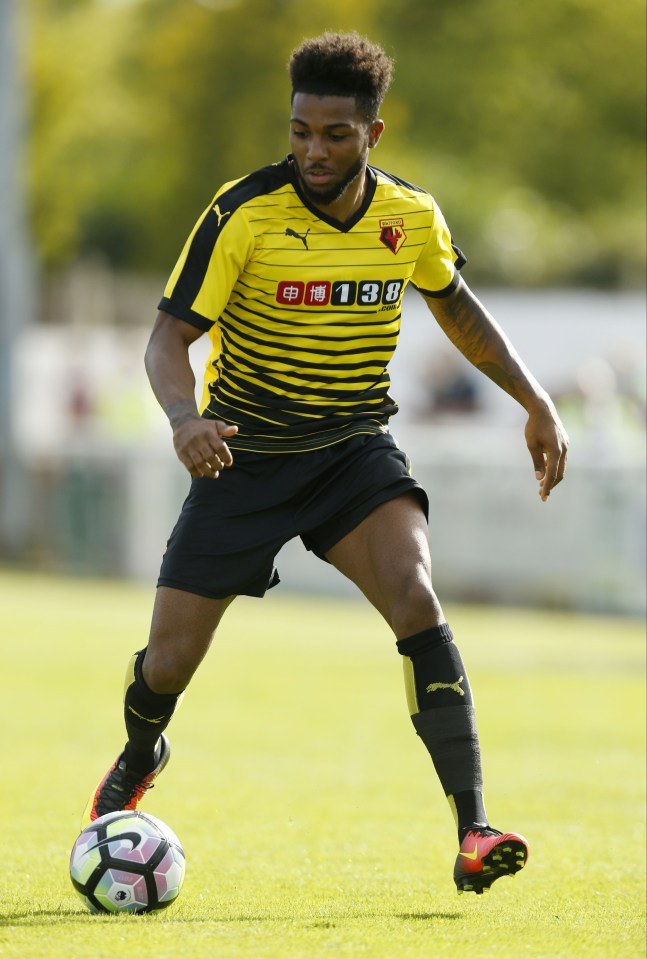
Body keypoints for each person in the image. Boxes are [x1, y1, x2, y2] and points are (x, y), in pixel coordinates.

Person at [83, 31, 568, 895]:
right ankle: (138, 750)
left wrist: (534, 400)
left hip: (350, 452)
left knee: (417, 597)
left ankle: (473, 828)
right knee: (167, 662)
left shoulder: (409, 216)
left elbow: (456, 307)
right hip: (243, 458)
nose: (312, 150)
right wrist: (184, 415)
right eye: (301, 130)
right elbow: (168, 338)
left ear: (371, 136)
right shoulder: (242, 212)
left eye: (334, 135)